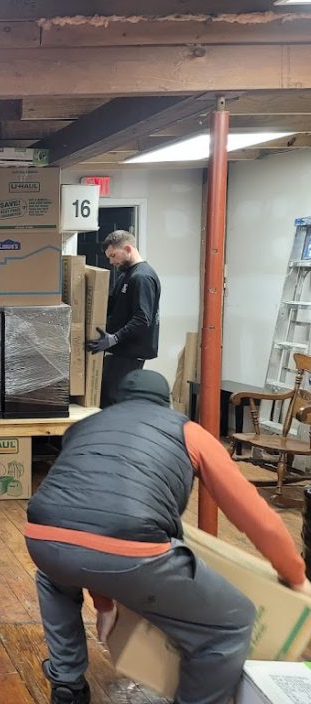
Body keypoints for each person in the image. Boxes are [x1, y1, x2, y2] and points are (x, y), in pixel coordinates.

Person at [24, 370, 311, 704]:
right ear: (167, 403)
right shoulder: (189, 431)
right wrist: (295, 575)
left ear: (117, 401)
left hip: (42, 537)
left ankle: (67, 682)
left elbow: (87, 514)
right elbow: (255, 517)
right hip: (133, 548)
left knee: (54, 578)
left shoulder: (83, 427)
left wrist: (104, 603)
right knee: (231, 625)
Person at [86, 230, 160, 407]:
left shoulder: (142, 277)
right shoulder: (126, 275)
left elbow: (143, 318)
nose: (111, 261)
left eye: (113, 255)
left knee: (113, 400)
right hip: (119, 351)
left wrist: (115, 338)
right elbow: (112, 305)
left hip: (129, 353)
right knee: (106, 397)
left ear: (127, 248)